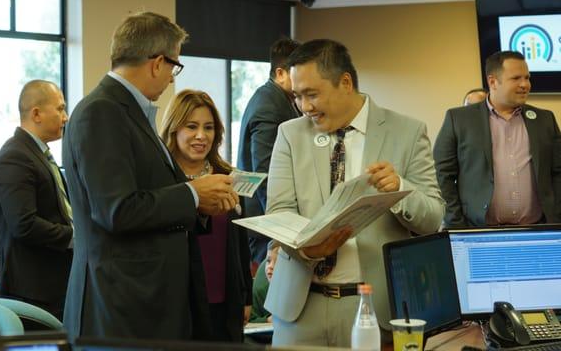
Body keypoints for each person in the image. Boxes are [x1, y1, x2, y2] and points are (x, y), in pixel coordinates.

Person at [62, 12, 239, 341]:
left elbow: (148, 194)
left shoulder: (131, 112)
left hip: (146, 303)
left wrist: (200, 205)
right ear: (158, 63)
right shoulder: (102, 112)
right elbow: (117, 209)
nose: (172, 79)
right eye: (174, 67)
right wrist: (193, 194)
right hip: (120, 306)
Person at [264, 39, 444, 347]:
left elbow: (432, 218)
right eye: (297, 96)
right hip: (300, 306)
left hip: (374, 307)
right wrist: (309, 250)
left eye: (312, 94)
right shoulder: (290, 134)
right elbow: (278, 213)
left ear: (345, 82)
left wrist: (401, 189)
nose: (305, 106)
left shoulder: (407, 132)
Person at [159, 89, 252, 342]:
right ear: (174, 128)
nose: (201, 136)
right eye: (191, 126)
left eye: (209, 128)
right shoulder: (161, 179)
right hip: (178, 302)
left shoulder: (228, 176)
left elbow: (240, 242)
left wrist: (245, 296)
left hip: (225, 299)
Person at [434, 51, 561, 228]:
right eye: (516, 78)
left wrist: (555, 217)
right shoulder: (458, 119)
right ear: (493, 81)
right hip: (478, 231)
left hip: (537, 230)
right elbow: (443, 174)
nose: (525, 84)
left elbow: (557, 172)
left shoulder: (545, 119)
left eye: (527, 77)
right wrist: (456, 222)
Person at [0, 80, 72, 320]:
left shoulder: (37, 153)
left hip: (49, 283)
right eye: (60, 109)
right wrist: (74, 237)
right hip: (32, 289)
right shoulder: (16, 156)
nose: (65, 117)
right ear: (36, 114)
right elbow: (23, 224)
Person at [237, 38, 301, 266]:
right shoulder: (268, 104)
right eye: (298, 72)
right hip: (265, 221)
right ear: (281, 73)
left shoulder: (280, 99)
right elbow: (265, 173)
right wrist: (280, 228)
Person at [250, 240, 279, 324]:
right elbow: (250, 319)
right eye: (268, 261)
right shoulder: (260, 289)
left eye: (277, 262)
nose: (270, 267)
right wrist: (267, 320)